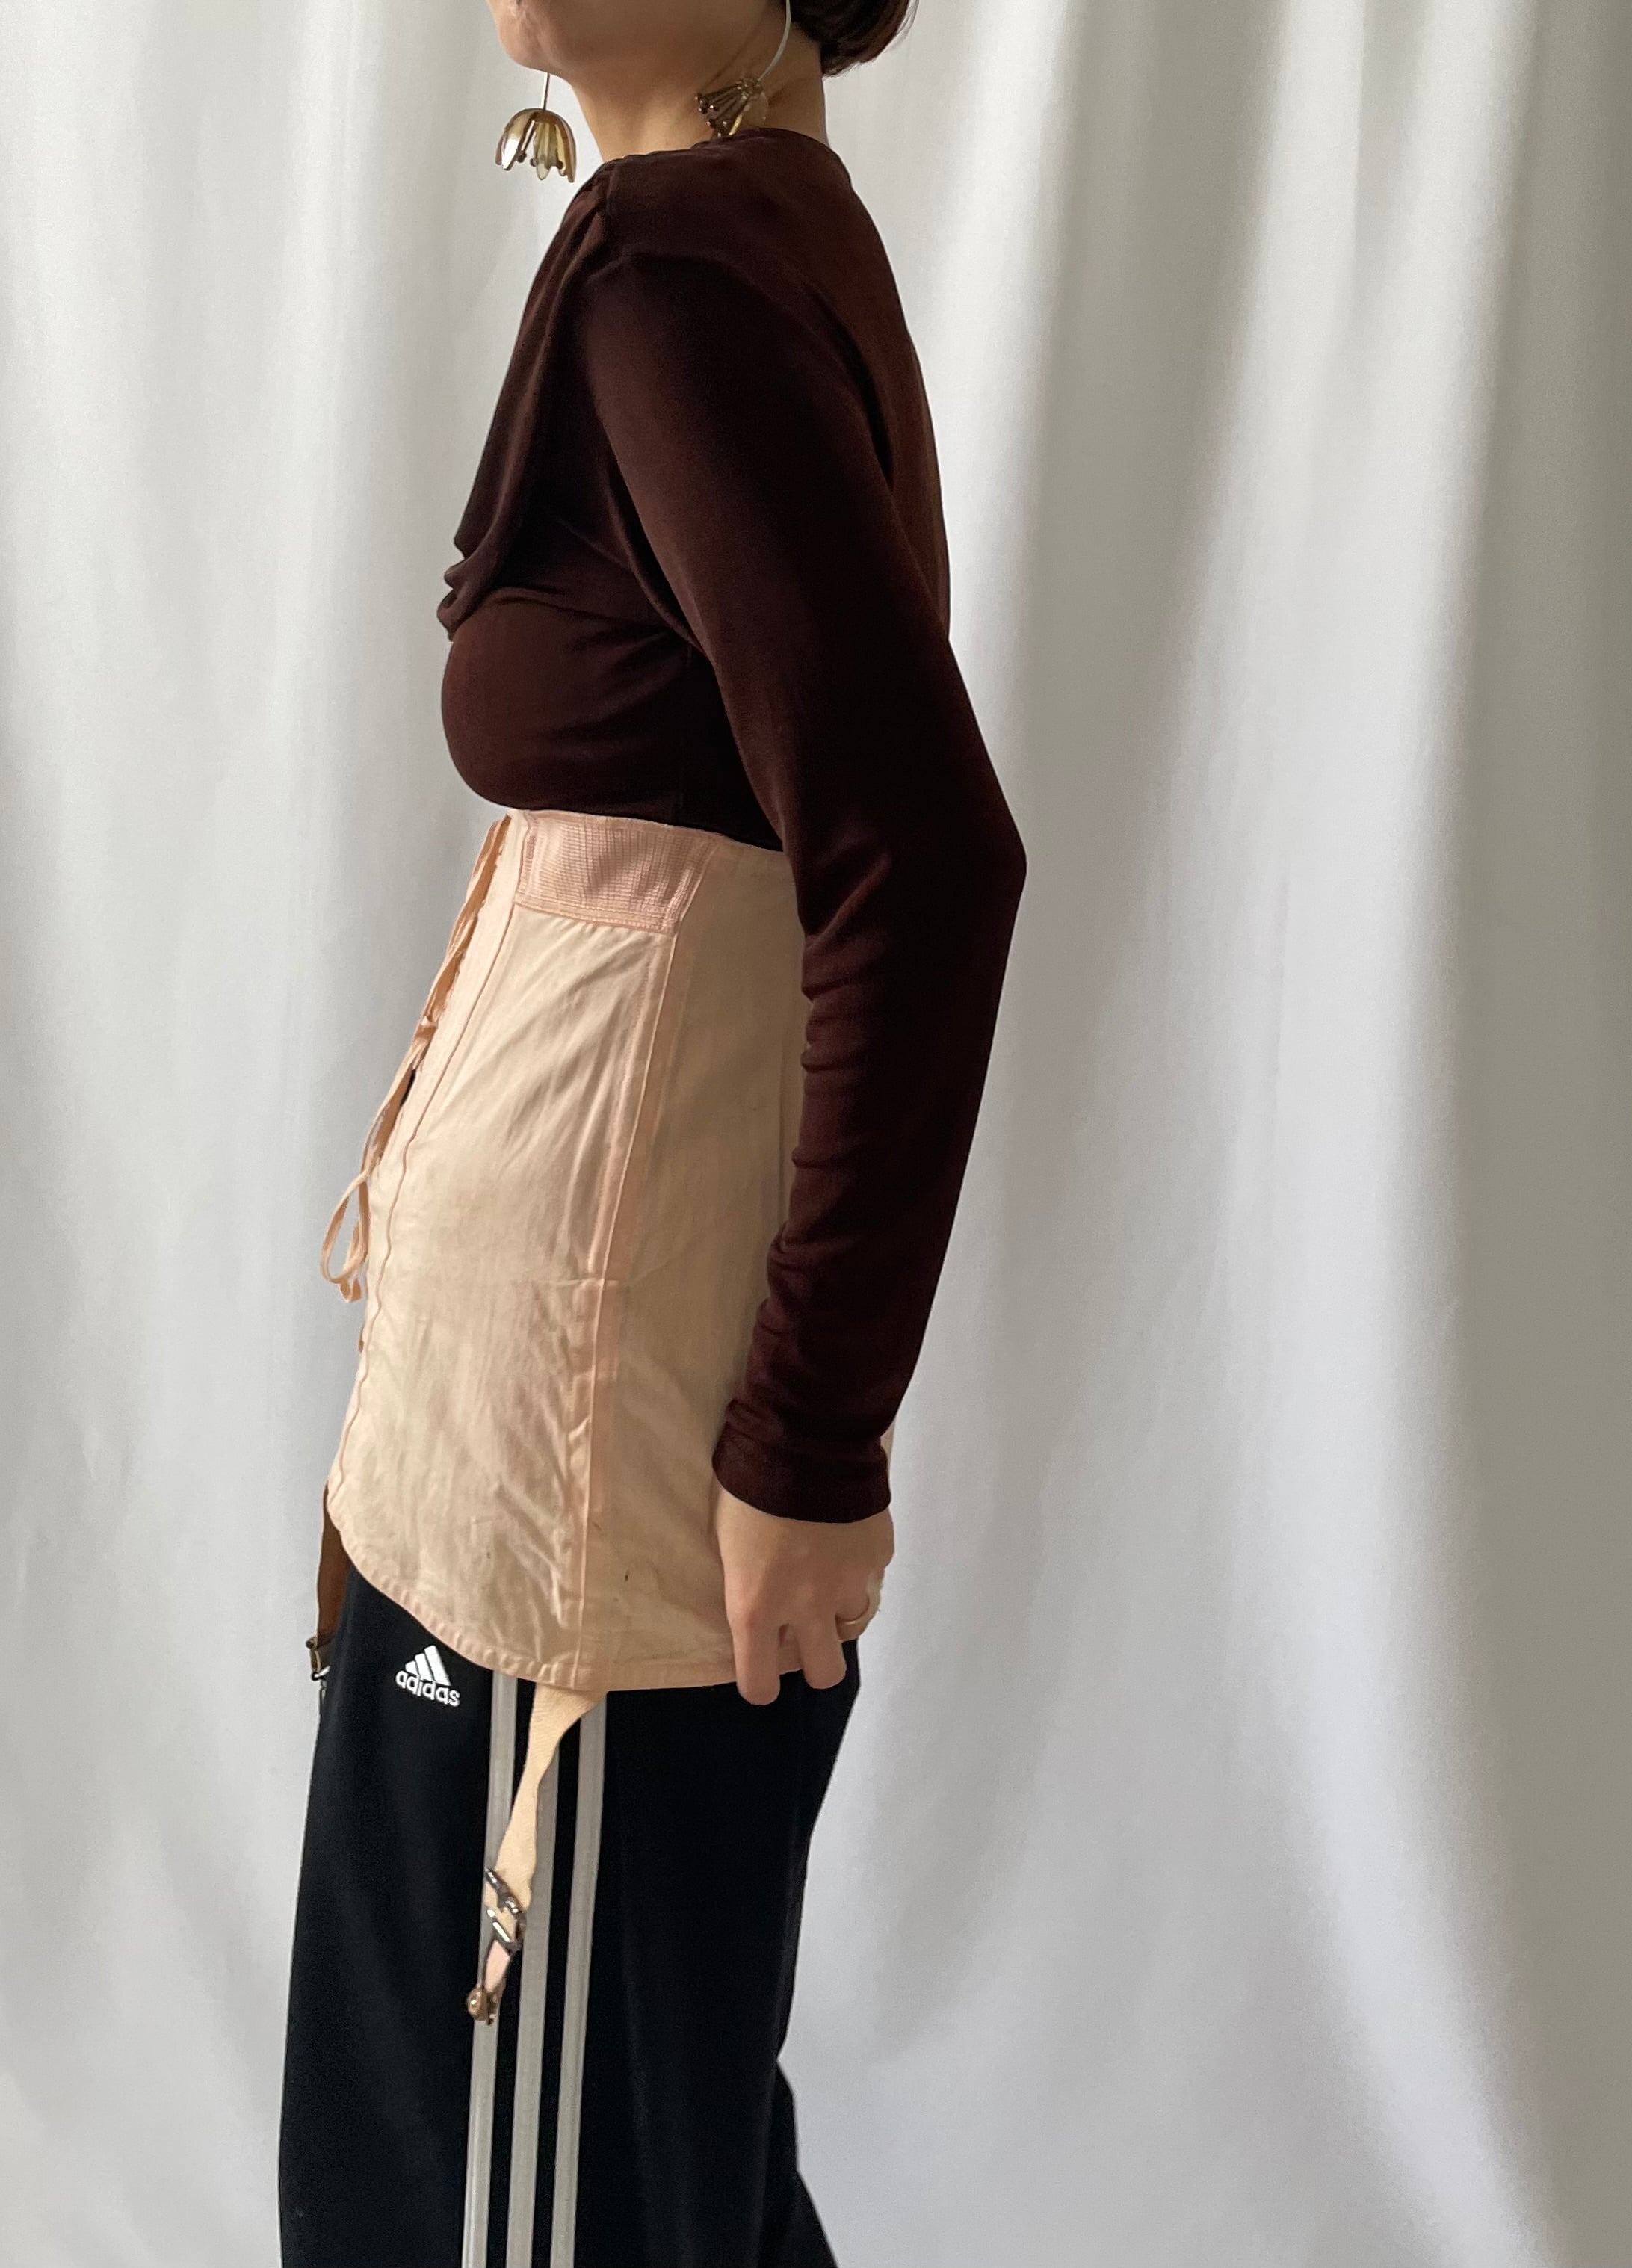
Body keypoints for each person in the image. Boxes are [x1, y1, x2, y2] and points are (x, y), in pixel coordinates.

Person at [277, 1, 1027, 2261]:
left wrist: (809, 1440)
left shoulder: (680, 267)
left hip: (589, 1475)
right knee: (632, 2156)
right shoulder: (726, 234)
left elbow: (925, 854)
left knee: (516, 2189)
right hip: (533, 1430)